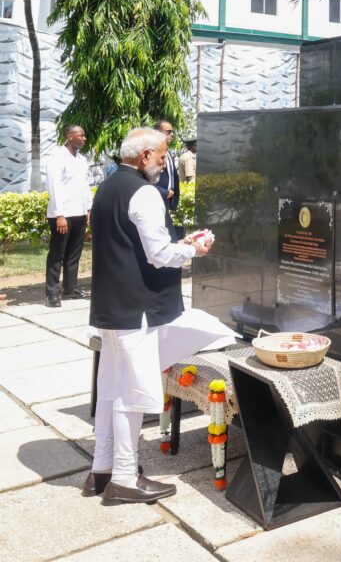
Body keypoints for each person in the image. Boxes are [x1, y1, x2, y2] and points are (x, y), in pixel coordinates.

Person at [84, 127, 233, 504]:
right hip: (137, 308)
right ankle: (123, 479)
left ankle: (101, 470)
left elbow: (131, 243)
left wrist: (177, 244)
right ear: (145, 156)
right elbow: (158, 255)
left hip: (111, 305)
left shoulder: (107, 186)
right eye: (163, 153)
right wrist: (194, 251)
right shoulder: (144, 191)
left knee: (111, 391)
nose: (165, 161)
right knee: (132, 393)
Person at [44, 124, 93, 307]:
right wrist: (59, 215)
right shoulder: (56, 157)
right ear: (70, 136)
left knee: (74, 253)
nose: (84, 138)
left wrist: (88, 209)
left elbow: (85, 185)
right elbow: (54, 187)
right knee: (57, 253)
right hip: (63, 214)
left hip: (79, 212)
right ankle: (52, 294)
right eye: (81, 135)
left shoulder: (81, 159)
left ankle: (70, 289)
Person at [153, 119, 182, 237]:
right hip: (158, 197)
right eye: (168, 132)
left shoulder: (167, 151)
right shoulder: (151, 152)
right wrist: (164, 192)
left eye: (172, 132)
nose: (171, 135)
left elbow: (172, 175)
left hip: (167, 198)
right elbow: (145, 179)